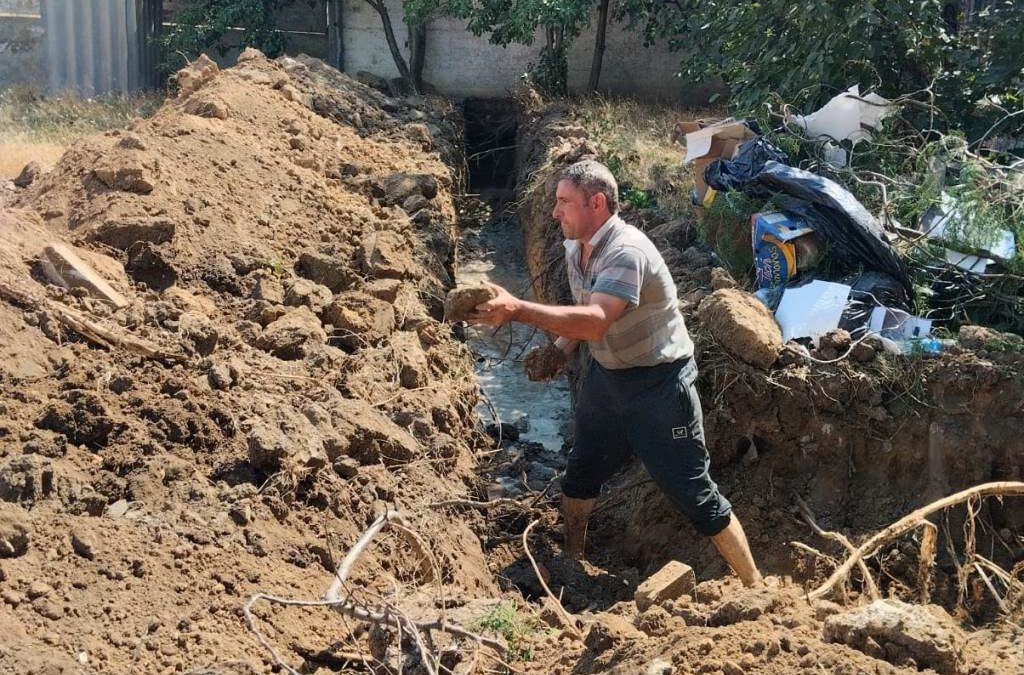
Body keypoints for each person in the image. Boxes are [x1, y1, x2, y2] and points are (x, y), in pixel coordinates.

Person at [470, 159, 762, 586]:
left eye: (564, 202)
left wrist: (517, 309)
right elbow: (584, 315)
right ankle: (575, 562)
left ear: (597, 203)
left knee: (695, 495)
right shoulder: (577, 246)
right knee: (580, 473)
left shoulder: (626, 252)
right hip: (608, 379)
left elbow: (594, 321)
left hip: (660, 387)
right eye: (554, 203)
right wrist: (559, 350)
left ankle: (755, 585)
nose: (554, 213)